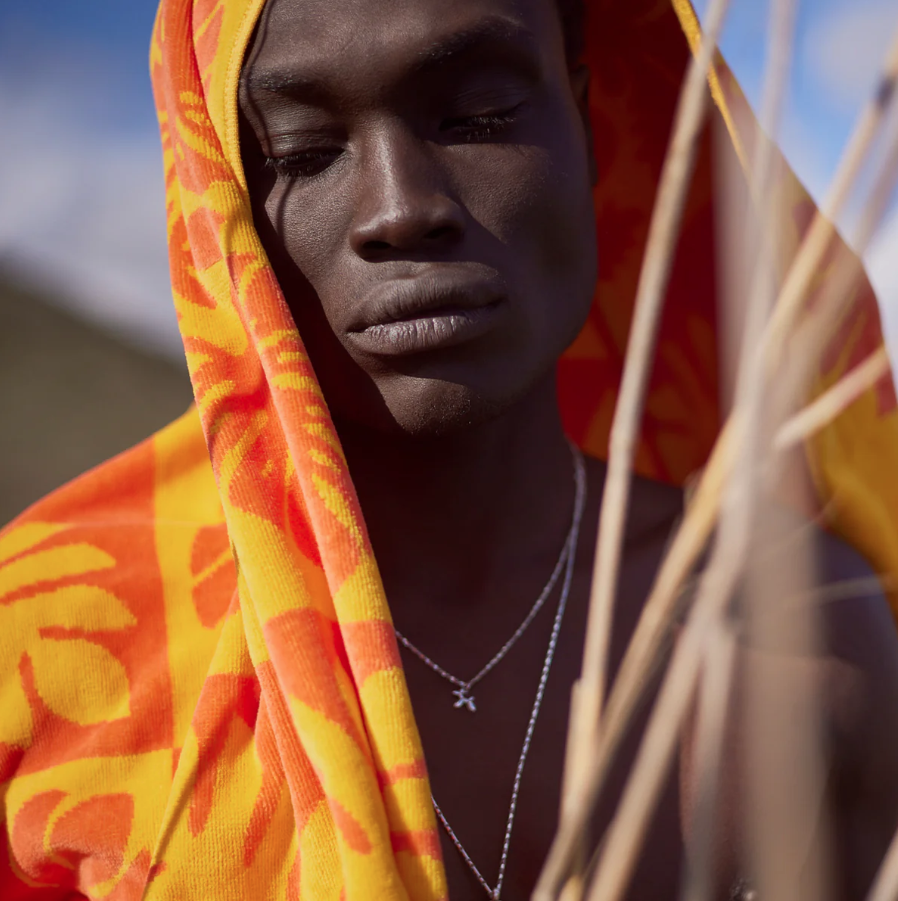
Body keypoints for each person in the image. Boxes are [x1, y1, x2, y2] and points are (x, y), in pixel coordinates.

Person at [2, 0, 898, 898]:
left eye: (480, 116)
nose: (400, 209)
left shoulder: (804, 631)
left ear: (588, 123)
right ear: (221, 201)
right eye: (302, 154)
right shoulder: (40, 664)